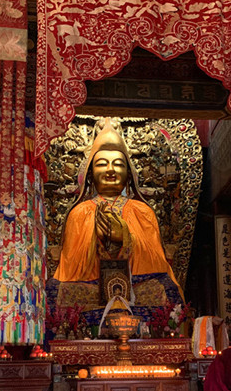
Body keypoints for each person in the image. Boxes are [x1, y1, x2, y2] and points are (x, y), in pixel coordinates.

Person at [52, 119, 183, 304]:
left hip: (136, 286)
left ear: (129, 174)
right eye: (102, 164)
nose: (110, 170)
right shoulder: (79, 213)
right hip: (90, 288)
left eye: (118, 164)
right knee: (59, 290)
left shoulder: (142, 211)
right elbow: (71, 268)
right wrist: (96, 241)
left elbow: (156, 263)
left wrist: (125, 238)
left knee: (162, 287)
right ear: (90, 174)